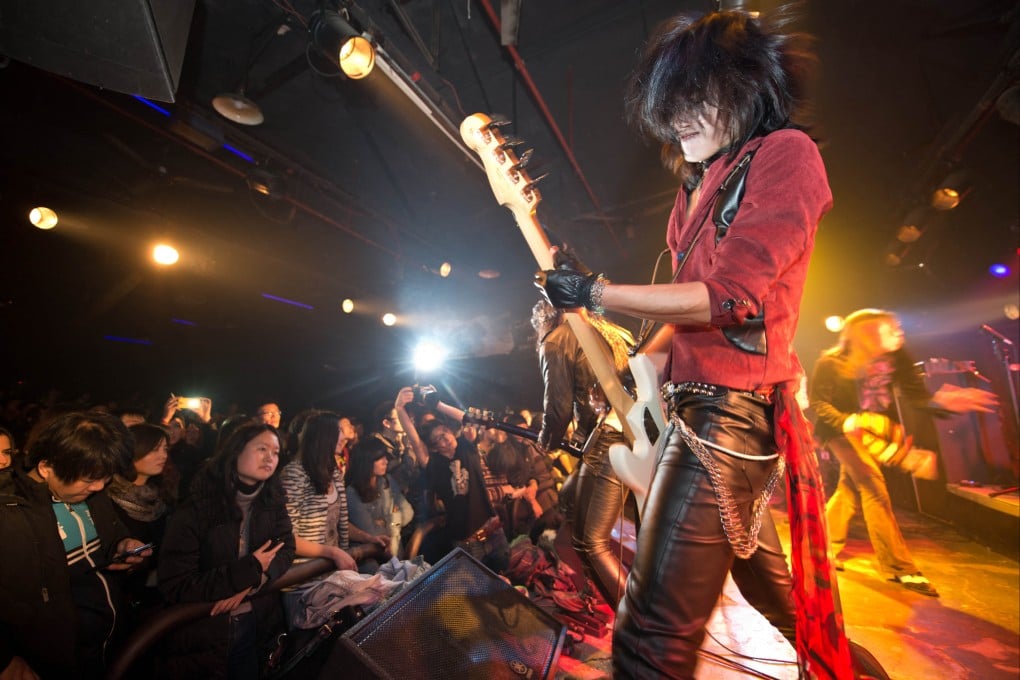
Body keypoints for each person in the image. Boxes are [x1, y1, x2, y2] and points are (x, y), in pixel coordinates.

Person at [537, 7, 850, 678]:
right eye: (669, 105)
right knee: (793, 614)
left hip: (731, 417)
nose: (677, 119)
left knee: (650, 636)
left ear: (744, 89)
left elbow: (732, 297)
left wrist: (595, 294)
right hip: (700, 413)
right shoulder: (697, 186)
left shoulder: (787, 154)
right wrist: (640, 368)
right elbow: (691, 312)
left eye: (693, 99)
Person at [810, 308, 998, 597]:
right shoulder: (831, 362)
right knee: (874, 487)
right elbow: (819, 404)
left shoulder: (897, 358)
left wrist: (944, 403)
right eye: (885, 328)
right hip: (839, 431)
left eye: (894, 327)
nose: (896, 332)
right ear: (862, 335)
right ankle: (900, 568)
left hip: (873, 431)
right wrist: (848, 421)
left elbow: (918, 398)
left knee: (850, 487)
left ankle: (820, 548)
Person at [0, 411, 151, 679]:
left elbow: (112, 538)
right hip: (52, 663)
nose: (99, 486)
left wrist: (123, 545)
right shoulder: (9, 513)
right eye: (89, 479)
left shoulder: (94, 495)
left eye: (105, 478)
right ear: (47, 467)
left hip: (110, 648)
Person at [157, 423, 295, 679]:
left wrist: (250, 584)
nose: (270, 458)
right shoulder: (198, 507)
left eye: (276, 452)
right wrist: (248, 571)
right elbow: (176, 583)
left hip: (258, 623)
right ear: (236, 450)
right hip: (205, 632)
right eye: (262, 448)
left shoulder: (273, 500)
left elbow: (286, 550)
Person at [531, 297, 633, 607]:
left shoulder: (557, 338)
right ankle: (594, 592)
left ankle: (640, 623)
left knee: (592, 543)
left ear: (546, 318)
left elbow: (559, 409)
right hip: (639, 431)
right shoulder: (611, 330)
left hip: (611, 436)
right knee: (571, 499)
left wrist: (546, 440)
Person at [346, 437, 414, 561]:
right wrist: (393, 515)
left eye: (385, 457)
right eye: (379, 458)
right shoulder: (353, 492)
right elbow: (372, 533)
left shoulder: (386, 481)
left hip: (396, 551)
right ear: (366, 461)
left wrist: (389, 522)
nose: (386, 461)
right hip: (370, 559)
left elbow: (408, 512)